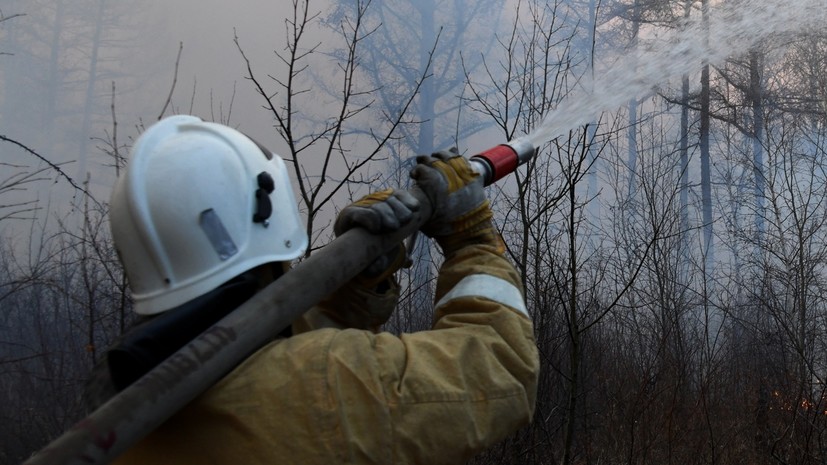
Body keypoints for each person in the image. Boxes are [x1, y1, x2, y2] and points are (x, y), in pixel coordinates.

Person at [86, 115, 539, 464]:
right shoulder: (329, 380)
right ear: (266, 211)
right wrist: (472, 238)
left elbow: (269, 361)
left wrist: (356, 283)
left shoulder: (123, 405)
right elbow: (501, 366)